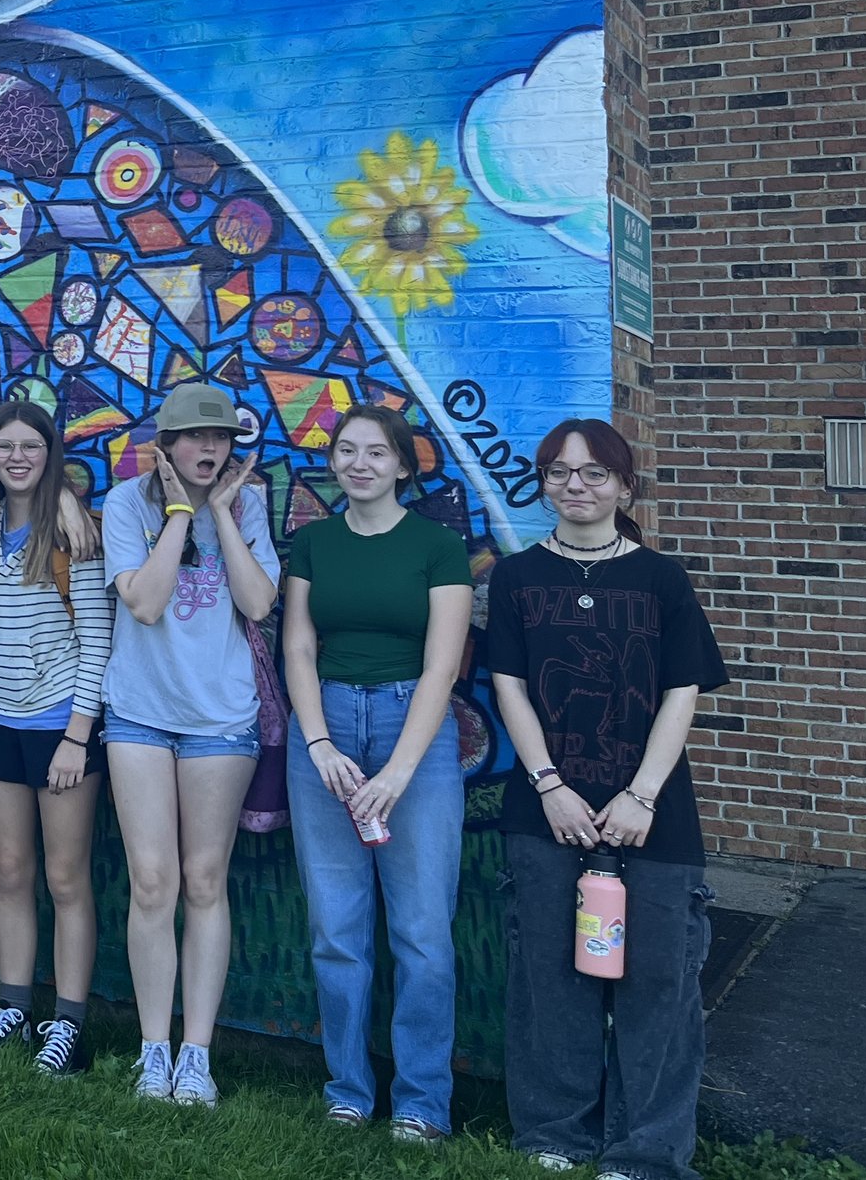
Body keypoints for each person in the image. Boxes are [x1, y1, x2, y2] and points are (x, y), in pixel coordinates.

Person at [488, 420, 726, 1180]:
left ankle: (647, 1149)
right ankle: (554, 1135)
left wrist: (641, 794)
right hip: (544, 810)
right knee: (550, 980)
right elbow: (509, 687)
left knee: (658, 982)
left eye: (594, 473)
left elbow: (681, 690)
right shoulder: (517, 576)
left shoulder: (662, 578)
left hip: (653, 815)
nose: (575, 485)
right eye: (558, 472)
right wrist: (550, 785)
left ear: (625, 487)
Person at [280, 404, 473, 1141]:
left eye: (375, 452)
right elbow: (298, 647)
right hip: (323, 728)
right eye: (346, 450)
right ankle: (348, 1090)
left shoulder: (436, 544)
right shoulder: (314, 542)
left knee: (423, 928)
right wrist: (320, 742)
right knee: (337, 925)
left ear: (401, 465)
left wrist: (398, 768)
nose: (358, 463)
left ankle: (423, 1101)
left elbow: (442, 664)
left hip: (410, 729)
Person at [101, 381, 279, 1106]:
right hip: (139, 713)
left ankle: (196, 1053)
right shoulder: (124, 504)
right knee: (152, 881)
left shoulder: (251, 504)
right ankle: (153, 1048)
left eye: (222, 438)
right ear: (166, 445)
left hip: (220, 720)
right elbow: (142, 602)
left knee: (205, 881)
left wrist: (225, 514)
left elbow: (260, 602)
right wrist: (178, 510)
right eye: (196, 438)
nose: (211, 449)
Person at [0, 400, 113, 1076]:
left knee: (65, 876)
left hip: (59, 728)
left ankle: (67, 1023)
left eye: (31, 446)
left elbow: (98, 639)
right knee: (12, 870)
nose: (17, 457)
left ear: (51, 455)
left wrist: (77, 737)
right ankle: (13, 1007)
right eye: (4, 446)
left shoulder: (75, 532)